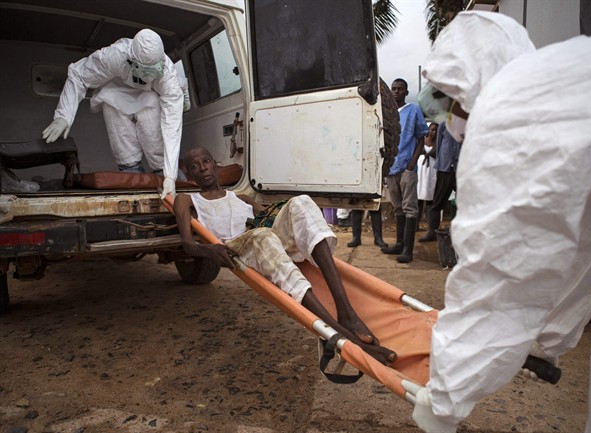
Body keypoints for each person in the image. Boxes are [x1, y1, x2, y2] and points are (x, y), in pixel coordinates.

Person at [410, 10, 591, 433]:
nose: (449, 113)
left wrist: (444, 399)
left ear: (473, 77)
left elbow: (497, 272)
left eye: (451, 97)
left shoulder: (514, 107)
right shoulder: (561, 81)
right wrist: (545, 338)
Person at [173, 146, 397, 365]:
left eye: (206, 161)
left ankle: (346, 311)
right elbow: (187, 244)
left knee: (301, 202)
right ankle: (342, 335)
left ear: (215, 164)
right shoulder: (187, 200)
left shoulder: (241, 198)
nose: (202, 168)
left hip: (264, 236)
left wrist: (293, 223)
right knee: (262, 235)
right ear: (190, 175)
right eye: (195, 166)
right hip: (238, 245)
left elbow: (273, 219)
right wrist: (208, 249)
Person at [42, 28, 184, 200]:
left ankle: (162, 169)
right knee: (111, 104)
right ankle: (130, 168)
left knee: (152, 108)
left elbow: (172, 123)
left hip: (149, 96)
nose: (148, 76)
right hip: (115, 92)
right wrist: (63, 115)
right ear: (131, 61)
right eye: (144, 70)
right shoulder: (114, 55)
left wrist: (170, 175)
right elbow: (78, 74)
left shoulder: (168, 75)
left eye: (153, 71)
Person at [381, 78, 429, 263]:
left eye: (400, 89)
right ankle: (399, 244)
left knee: (410, 207)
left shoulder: (414, 110)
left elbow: (421, 138)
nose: (395, 91)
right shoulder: (388, 113)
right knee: (398, 207)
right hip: (392, 168)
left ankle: (408, 249)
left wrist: (412, 163)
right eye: (393, 89)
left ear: (406, 92)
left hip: (407, 167)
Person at [418, 105, 463, 242]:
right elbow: (439, 146)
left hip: (460, 168)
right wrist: (440, 162)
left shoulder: (466, 124)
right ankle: (432, 232)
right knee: (437, 202)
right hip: (445, 168)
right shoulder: (444, 124)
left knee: (465, 201)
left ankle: (461, 232)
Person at [416, 123, 438, 234]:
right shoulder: (421, 140)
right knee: (417, 200)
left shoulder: (438, 144)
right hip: (420, 172)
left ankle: (431, 229)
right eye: (432, 130)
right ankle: (415, 225)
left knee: (430, 199)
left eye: (436, 131)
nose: (433, 132)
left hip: (431, 173)